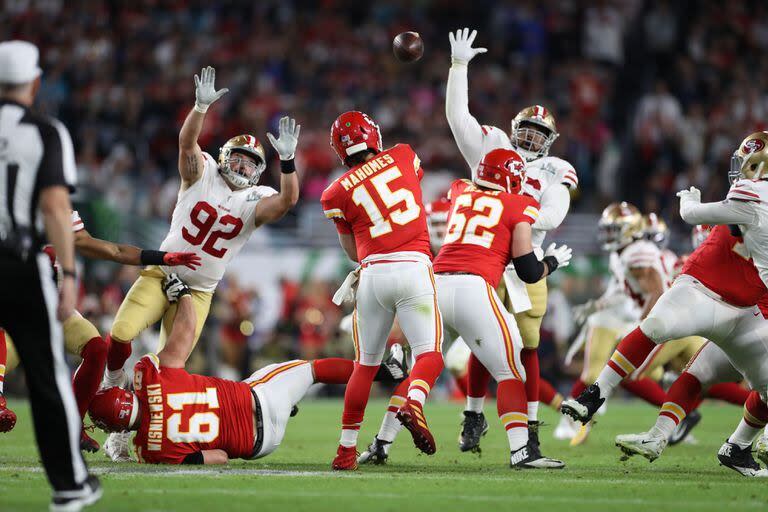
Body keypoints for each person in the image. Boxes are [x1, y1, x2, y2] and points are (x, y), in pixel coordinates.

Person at [102, 66, 300, 461]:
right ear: (225, 158)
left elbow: (287, 201)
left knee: (165, 372)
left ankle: (125, 433)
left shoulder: (254, 198)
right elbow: (186, 143)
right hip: (163, 272)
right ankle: (112, 387)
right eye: (239, 160)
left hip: (199, 291)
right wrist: (200, 108)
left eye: (250, 164)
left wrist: (290, 161)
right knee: (121, 333)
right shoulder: (202, 172)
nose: (243, 168)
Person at [562, 132, 768, 476]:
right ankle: (599, 395)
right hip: (706, 290)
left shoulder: (753, 194)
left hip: (749, 311)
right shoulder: (749, 197)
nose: (739, 171)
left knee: (714, 375)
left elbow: (694, 213)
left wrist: (689, 203)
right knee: (659, 330)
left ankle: (738, 446)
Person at [88, 274, 407, 465]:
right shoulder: (149, 375)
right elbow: (183, 335)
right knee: (310, 370)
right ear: (123, 393)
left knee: (264, 380)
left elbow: (219, 458)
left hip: (260, 445)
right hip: (259, 398)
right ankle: (386, 371)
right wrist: (182, 295)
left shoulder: (151, 451)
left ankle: (287, 401)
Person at [446, 28, 578, 461]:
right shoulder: (494, 144)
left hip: (522, 260)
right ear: (514, 129)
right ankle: (472, 414)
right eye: (529, 131)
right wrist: (459, 67)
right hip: (484, 258)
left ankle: (531, 427)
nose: (533, 139)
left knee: (525, 344)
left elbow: (553, 216)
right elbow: (458, 118)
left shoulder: (557, 168)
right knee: (485, 342)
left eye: (542, 134)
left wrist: (512, 212)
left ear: (551, 141)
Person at [0, 209, 199, 452]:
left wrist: (159, 257)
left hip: (55, 312)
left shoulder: (57, 212)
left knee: (96, 349)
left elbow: (112, 251)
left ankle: (71, 427)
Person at [0, 40, 100, 511]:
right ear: (35, 82)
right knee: (47, 376)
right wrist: (70, 275)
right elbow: (56, 207)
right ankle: (69, 485)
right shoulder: (45, 131)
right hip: (19, 262)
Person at [321, 111, 444, 470]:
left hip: (373, 274)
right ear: (372, 134)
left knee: (364, 366)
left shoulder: (335, 192)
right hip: (414, 267)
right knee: (430, 355)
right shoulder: (404, 154)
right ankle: (414, 403)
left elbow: (351, 252)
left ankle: (345, 451)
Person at [433, 149, 570, 468]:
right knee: (512, 369)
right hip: (476, 287)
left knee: (421, 366)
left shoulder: (460, 192)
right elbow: (529, 271)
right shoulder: (519, 203)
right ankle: (523, 450)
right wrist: (551, 262)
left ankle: (378, 441)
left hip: (435, 283)